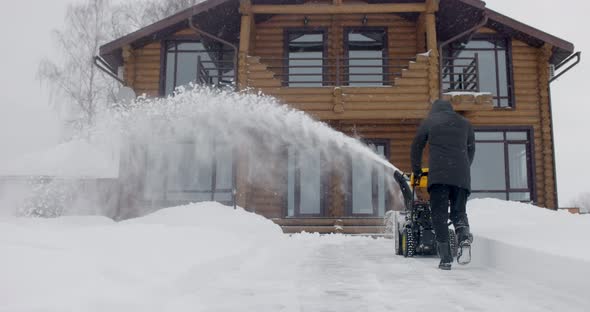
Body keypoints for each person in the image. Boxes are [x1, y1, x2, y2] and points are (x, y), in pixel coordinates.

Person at [410, 99, 475, 270]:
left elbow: (416, 146)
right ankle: (463, 236)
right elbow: (471, 150)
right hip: (461, 176)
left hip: (439, 176)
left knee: (439, 215)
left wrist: (416, 170)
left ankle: (446, 258)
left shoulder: (430, 121)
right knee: (459, 211)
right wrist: (463, 168)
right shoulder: (465, 123)